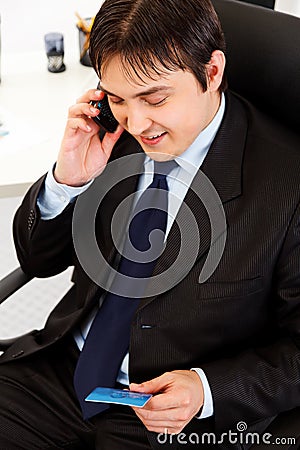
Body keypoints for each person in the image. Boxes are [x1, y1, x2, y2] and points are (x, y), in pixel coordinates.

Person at [0, 0, 300, 448]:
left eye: (154, 98)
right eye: (117, 98)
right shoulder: (109, 137)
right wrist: (67, 181)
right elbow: (37, 261)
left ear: (212, 72)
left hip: (172, 417)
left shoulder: (286, 183)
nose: (137, 122)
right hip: (59, 370)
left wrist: (206, 389)